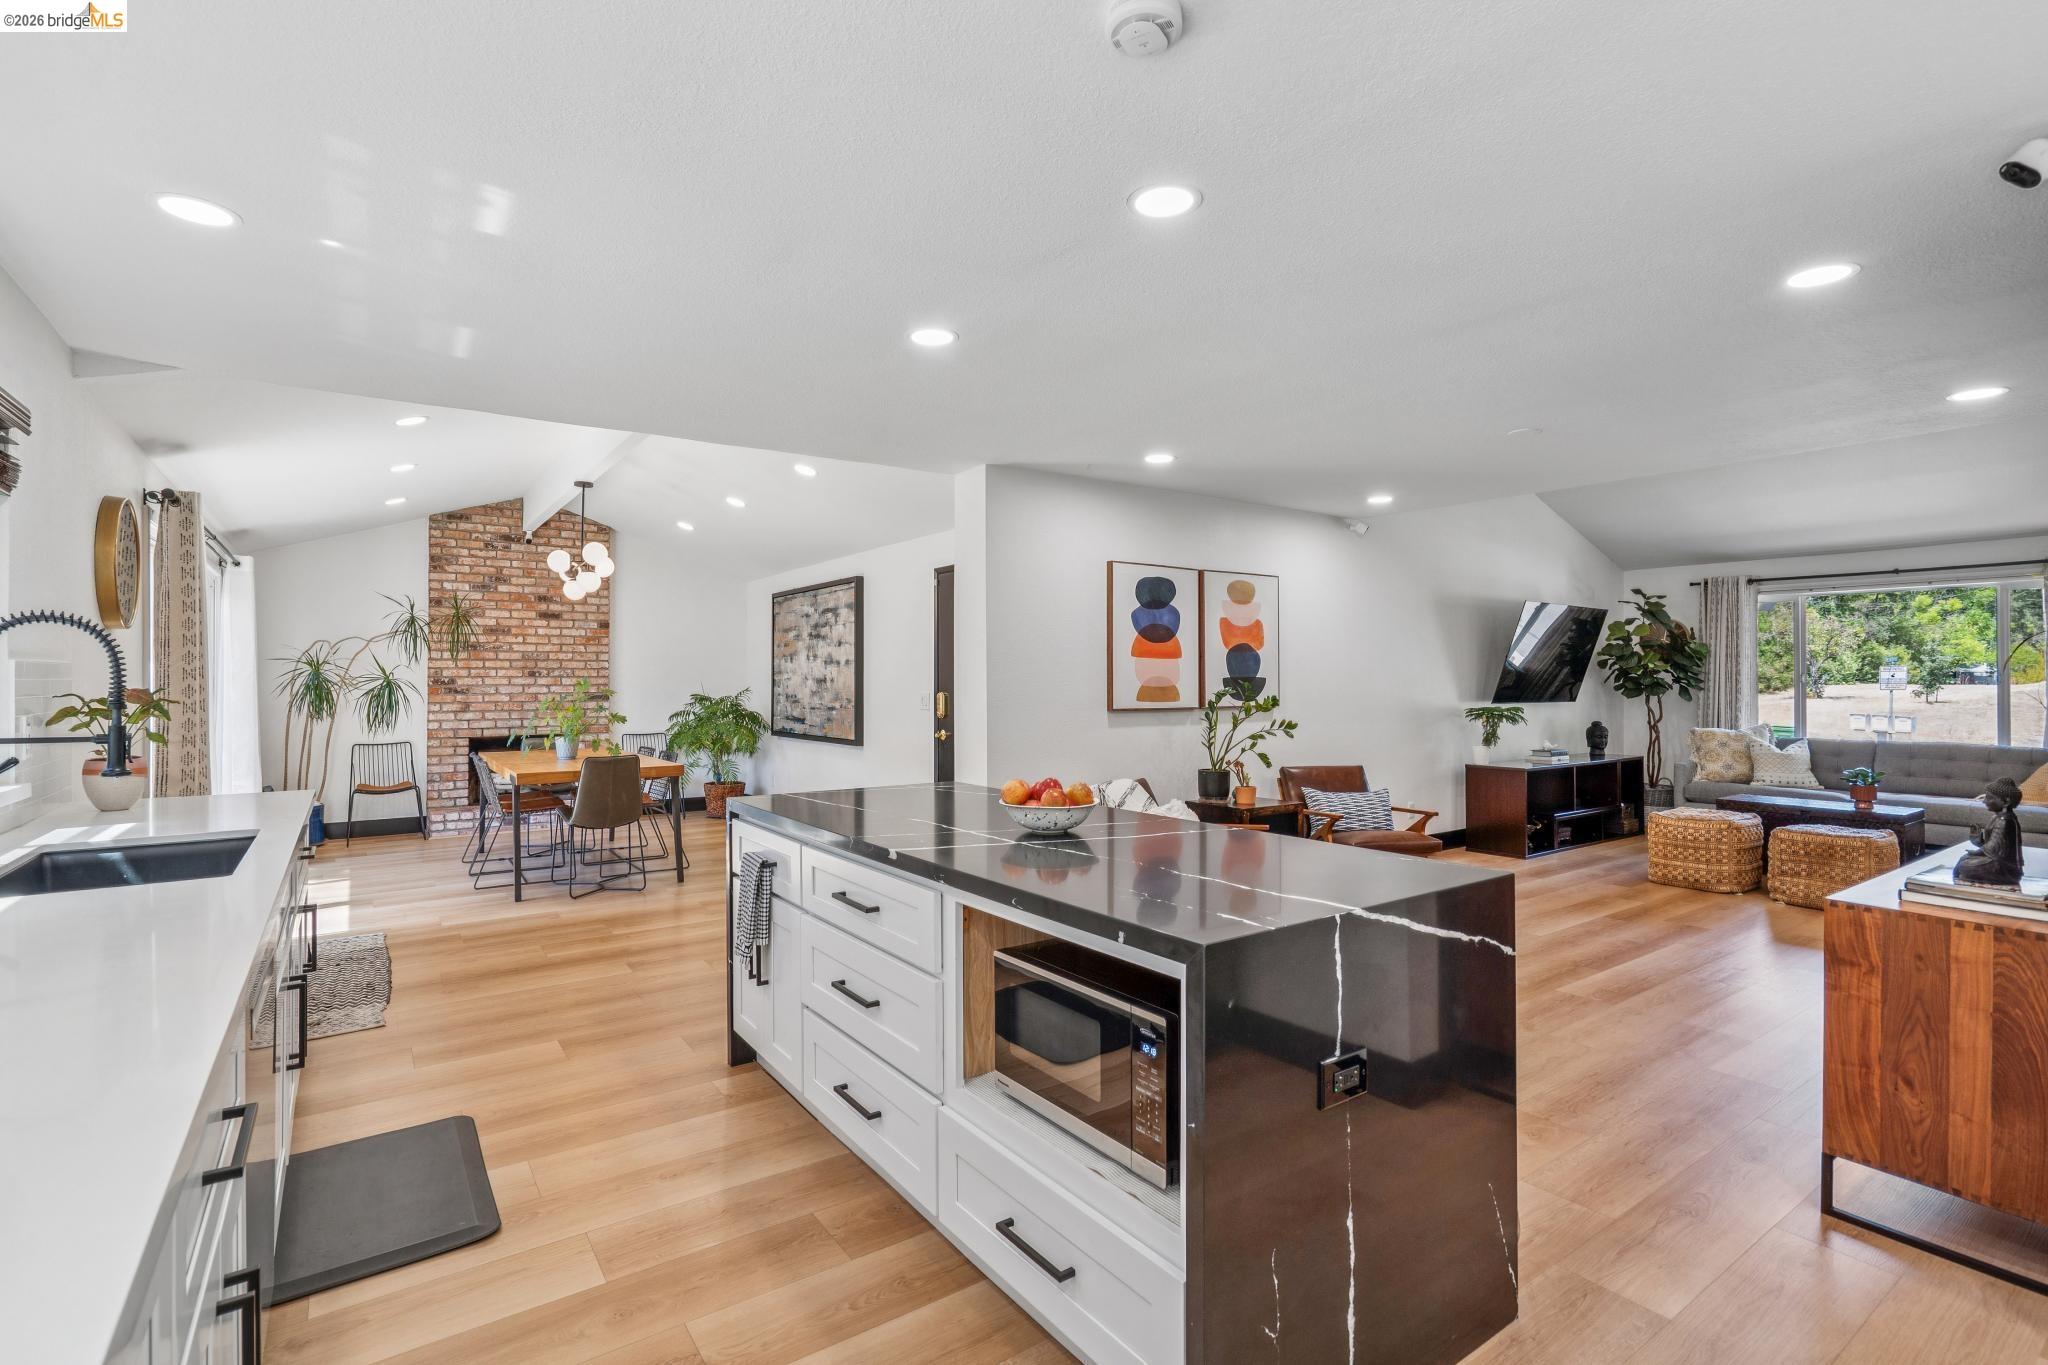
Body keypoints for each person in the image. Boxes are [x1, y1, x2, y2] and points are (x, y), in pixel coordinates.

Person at [1954, 777, 2025, 888]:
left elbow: (1995, 850)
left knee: (1964, 865)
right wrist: (1979, 841)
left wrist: (1977, 851)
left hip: (2004, 867)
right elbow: (1995, 845)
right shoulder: (1998, 818)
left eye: (1989, 798)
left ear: (2006, 801)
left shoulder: (2005, 821)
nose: (1984, 801)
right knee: (1963, 859)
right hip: (1997, 860)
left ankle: (1966, 880)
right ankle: (1961, 880)